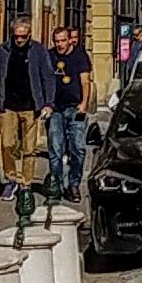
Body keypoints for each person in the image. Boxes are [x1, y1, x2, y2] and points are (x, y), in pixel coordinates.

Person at [0, 15, 53, 191]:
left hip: (31, 105)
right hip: (8, 104)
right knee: (7, 144)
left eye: (23, 37)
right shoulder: (3, 50)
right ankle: (11, 179)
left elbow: (47, 76)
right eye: (16, 36)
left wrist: (48, 103)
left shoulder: (39, 51)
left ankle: (26, 183)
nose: (19, 40)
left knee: (29, 148)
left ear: (29, 35)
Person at [47, 22, 93, 197]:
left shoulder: (80, 57)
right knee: (56, 149)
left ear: (69, 41)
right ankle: (56, 185)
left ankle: (74, 183)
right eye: (57, 41)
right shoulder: (49, 56)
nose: (60, 44)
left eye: (63, 41)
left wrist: (84, 103)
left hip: (75, 108)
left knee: (78, 148)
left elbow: (85, 81)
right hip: (56, 109)